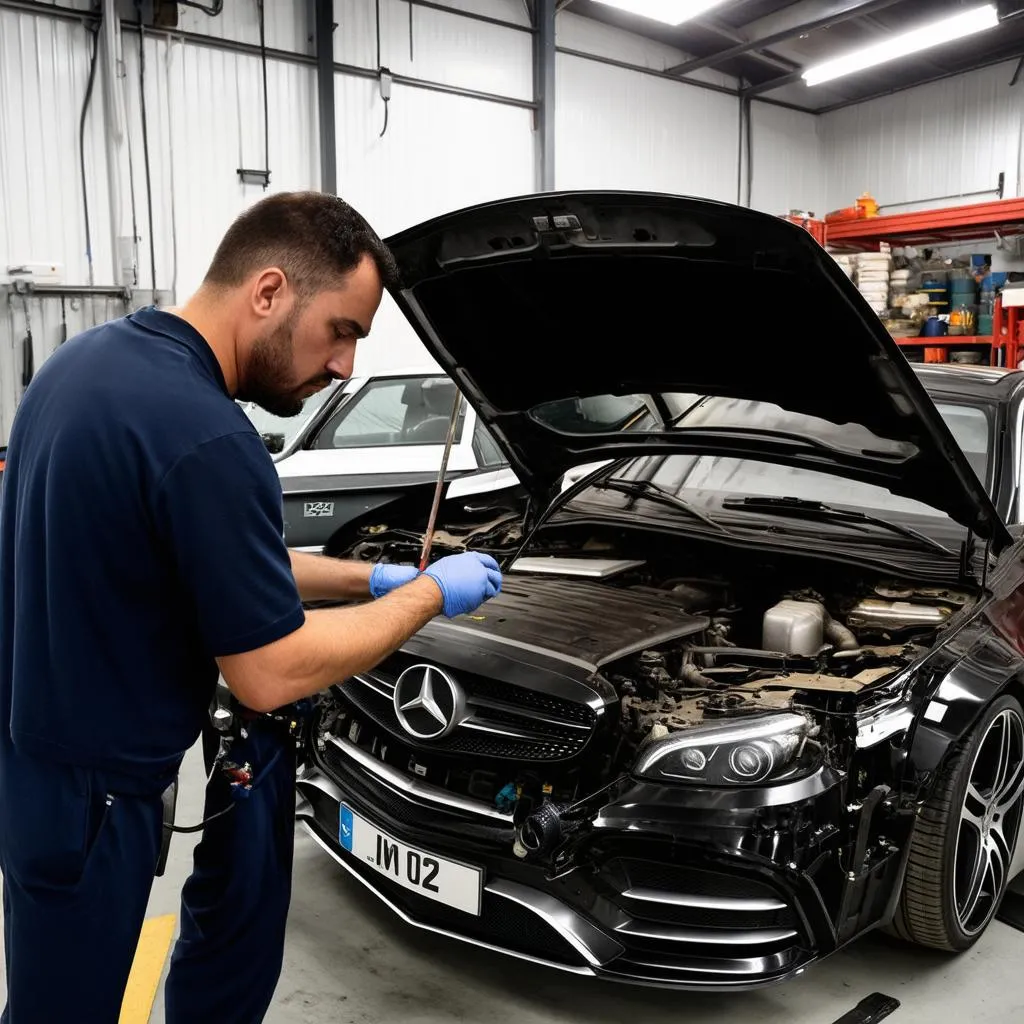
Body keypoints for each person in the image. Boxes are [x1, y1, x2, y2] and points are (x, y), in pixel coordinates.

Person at [0, 191, 503, 1023]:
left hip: (36, 757)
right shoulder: (209, 435)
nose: (345, 366)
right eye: (343, 329)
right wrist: (422, 597)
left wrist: (365, 578)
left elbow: (218, 565)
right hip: (98, 797)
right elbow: (270, 673)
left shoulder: (84, 367)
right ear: (268, 291)